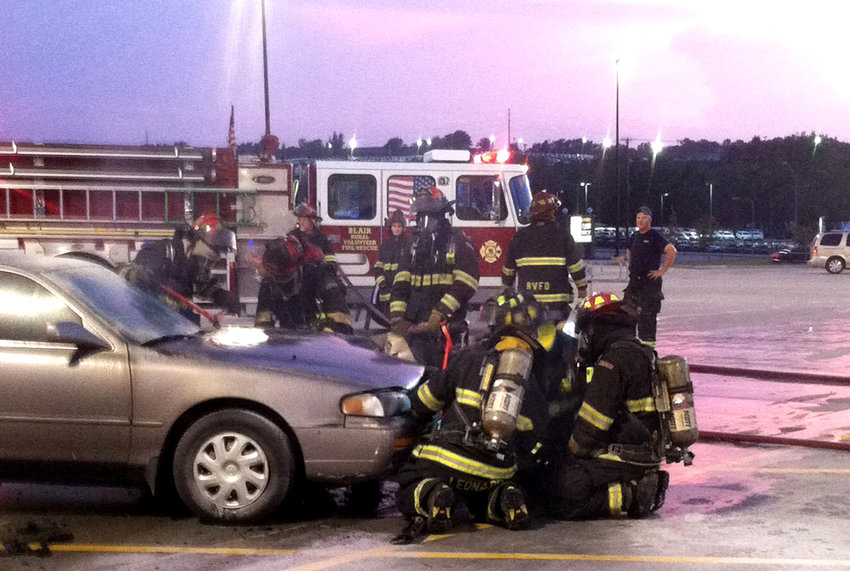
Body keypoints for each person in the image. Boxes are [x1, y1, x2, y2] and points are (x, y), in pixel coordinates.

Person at [392, 293, 552, 543]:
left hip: (447, 461)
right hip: (494, 470)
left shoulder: (468, 358)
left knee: (408, 482)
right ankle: (503, 499)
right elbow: (537, 438)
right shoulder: (531, 384)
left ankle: (431, 493)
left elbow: (423, 402)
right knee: (485, 498)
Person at [542, 292, 669, 520]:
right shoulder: (640, 352)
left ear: (594, 330)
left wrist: (568, 453)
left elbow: (591, 427)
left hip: (624, 455)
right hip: (644, 451)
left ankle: (629, 494)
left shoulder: (611, 362)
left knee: (558, 488)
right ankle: (638, 485)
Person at [389, 187, 480, 367]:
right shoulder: (412, 247)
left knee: (445, 380)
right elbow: (400, 283)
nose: (423, 222)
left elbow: (467, 282)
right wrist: (397, 317)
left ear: (441, 215)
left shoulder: (457, 242)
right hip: (416, 330)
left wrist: (441, 311)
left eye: (428, 216)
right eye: (420, 216)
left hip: (447, 330)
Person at [121, 214, 240, 324]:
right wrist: (137, 275)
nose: (214, 256)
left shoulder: (193, 263)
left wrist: (220, 295)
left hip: (178, 324)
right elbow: (122, 275)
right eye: (213, 249)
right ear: (195, 239)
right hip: (148, 323)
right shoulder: (162, 252)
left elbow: (202, 285)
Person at [255, 202, 353, 334]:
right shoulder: (292, 236)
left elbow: (331, 262)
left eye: (303, 218)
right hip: (296, 278)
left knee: (330, 289)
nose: (300, 221)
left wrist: (321, 266)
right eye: (299, 218)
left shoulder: (322, 239)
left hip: (314, 277)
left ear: (312, 220)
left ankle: (327, 326)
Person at [501, 191, 587, 322]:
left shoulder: (519, 237)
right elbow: (576, 266)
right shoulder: (563, 236)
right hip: (556, 307)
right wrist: (582, 288)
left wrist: (506, 287)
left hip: (528, 306)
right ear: (552, 212)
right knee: (566, 337)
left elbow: (508, 270)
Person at [624, 206, 676, 348]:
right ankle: (629, 347)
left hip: (650, 283)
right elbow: (629, 251)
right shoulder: (634, 236)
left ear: (650, 220)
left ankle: (648, 351)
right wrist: (632, 266)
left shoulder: (654, 236)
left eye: (644, 218)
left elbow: (671, 251)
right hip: (634, 282)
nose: (640, 221)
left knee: (647, 317)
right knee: (626, 313)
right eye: (638, 218)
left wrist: (661, 271)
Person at [374, 209, 412, 317]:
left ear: (403, 228)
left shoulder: (408, 244)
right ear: (390, 228)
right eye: (394, 226)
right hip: (387, 289)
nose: (396, 229)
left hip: (403, 289)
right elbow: (378, 268)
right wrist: (382, 283)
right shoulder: (385, 246)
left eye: (399, 226)